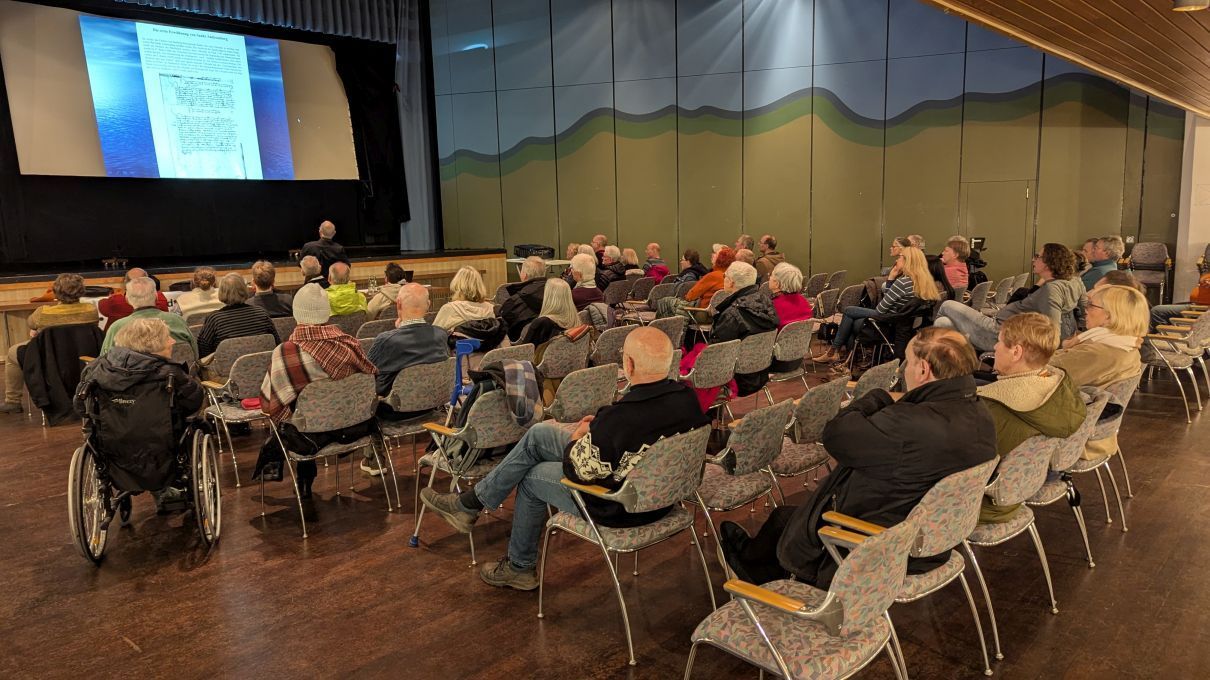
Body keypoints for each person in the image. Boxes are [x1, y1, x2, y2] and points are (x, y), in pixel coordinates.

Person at [420, 327, 710, 590]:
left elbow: (577, 470)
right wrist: (598, 432)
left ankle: (519, 566)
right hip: (665, 495)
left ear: (629, 364)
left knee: (531, 477)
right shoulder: (687, 400)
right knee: (539, 434)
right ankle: (470, 503)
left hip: (622, 506)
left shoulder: (621, 418)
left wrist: (578, 437)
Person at [720, 328, 997, 587]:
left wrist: (877, 397)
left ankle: (758, 575)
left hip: (875, 547)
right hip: (932, 539)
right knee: (786, 519)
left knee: (784, 519)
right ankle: (764, 564)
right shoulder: (980, 413)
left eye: (908, 363)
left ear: (923, 369)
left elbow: (836, 435)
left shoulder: (907, 424)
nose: (904, 370)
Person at [254, 284, 377, 496]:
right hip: (353, 426)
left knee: (295, 414)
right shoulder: (350, 344)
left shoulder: (286, 352)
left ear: (296, 313)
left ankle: (299, 478)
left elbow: (270, 404)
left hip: (308, 437)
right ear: (327, 312)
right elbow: (370, 378)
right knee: (306, 409)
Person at [76, 318, 204, 511]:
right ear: (152, 344)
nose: (172, 341)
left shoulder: (96, 370)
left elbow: (80, 406)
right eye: (167, 338)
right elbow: (194, 401)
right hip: (163, 453)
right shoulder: (170, 373)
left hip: (113, 450)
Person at [976, 313, 1085, 523]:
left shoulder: (993, 407)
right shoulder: (1059, 387)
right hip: (1019, 491)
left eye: (999, 341)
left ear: (1016, 352)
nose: (995, 347)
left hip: (981, 506)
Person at [1049, 284, 1149, 460]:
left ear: (1109, 316)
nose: (1085, 309)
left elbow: (1037, 371)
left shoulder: (1099, 353)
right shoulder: (1126, 345)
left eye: (1091, 305)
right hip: (1090, 432)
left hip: (1067, 439)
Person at [934, 243, 1086, 352]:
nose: (1033, 260)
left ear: (1049, 263)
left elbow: (1053, 329)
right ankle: (957, 362)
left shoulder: (1052, 289)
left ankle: (932, 354)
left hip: (997, 332)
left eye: (1038, 257)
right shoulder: (1069, 283)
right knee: (943, 322)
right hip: (1002, 327)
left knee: (947, 304)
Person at [813, 246, 938, 363]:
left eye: (900, 257)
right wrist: (891, 280)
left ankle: (835, 352)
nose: (896, 260)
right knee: (851, 319)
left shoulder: (903, 283)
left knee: (848, 311)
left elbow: (880, 309)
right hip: (903, 324)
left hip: (888, 321)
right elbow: (894, 298)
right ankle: (839, 355)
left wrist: (891, 278)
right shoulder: (925, 282)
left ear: (907, 261)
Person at [2, 273, 99, 414]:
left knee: (12, 352)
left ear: (55, 292)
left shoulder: (43, 313)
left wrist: (38, 331)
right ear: (81, 291)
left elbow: (31, 323)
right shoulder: (91, 310)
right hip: (81, 356)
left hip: (49, 358)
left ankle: (12, 401)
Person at [690, 261, 779, 398]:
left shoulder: (733, 314)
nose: (723, 279)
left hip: (734, 379)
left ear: (731, 282)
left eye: (725, 276)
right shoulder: (767, 302)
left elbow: (716, 354)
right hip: (760, 372)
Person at [368, 283, 449, 397]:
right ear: (428, 305)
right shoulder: (441, 335)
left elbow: (366, 374)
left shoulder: (385, 340)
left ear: (398, 304)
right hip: (432, 400)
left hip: (391, 406)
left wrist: (398, 332)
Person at [518, 279, 582, 403]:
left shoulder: (542, 323)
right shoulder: (577, 320)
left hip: (543, 381)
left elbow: (523, 353)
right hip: (570, 377)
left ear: (548, 297)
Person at [101, 277, 197, 358]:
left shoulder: (117, 327)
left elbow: (105, 362)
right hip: (180, 373)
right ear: (156, 296)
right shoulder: (177, 320)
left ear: (127, 300)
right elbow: (195, 353)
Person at [196, 274, 280, 360]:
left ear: (221, 292)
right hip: (263, 365)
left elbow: (203, 349)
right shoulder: (261, 313)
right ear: (244, 290)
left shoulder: (215, 319)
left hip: (224, 367)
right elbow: (276, 343)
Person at [97, 267, 169, 330]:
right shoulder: (160, 298)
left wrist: (116, 295)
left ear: (126, 283)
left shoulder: (116, 301)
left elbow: (102, 306)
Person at [500, 257, 548, 342]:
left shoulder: (514, 301)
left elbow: (504, 325)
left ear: (524, 275)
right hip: (549, 341)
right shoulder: (556, 294)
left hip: (522, 345)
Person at [432, 266, 494, 331]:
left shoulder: (449, 309)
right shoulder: (491, 309)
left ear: (457, 285)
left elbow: (433, 334)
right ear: (480, 285)